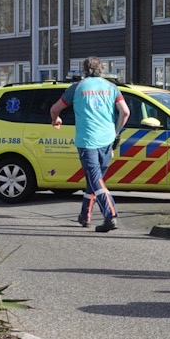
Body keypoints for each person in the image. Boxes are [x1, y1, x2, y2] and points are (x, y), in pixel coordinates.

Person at [50, 57, 130, 233]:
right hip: (107, 140)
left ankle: (110, 215)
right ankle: (84, 215)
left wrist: (56, 120)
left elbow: (55, 109)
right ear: (101, 69)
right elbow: (125, 112)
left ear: (84, 70)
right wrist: (116, 133)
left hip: (87, 141)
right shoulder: (112, 87)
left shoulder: (77, 88)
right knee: (95, 179)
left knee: (95, 179)